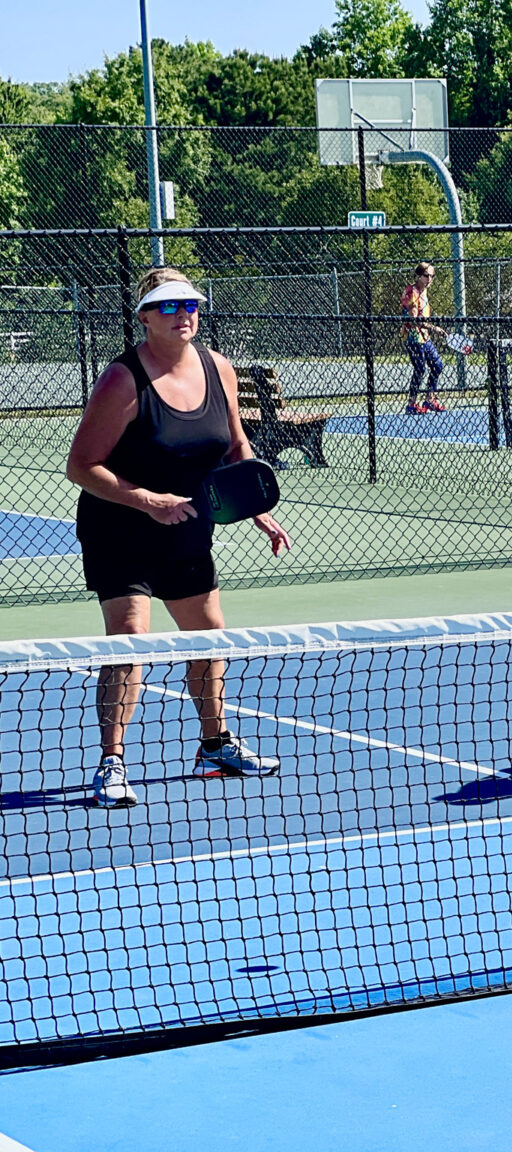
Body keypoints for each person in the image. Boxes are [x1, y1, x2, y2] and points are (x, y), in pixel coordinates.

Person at [66, 267, 292, 809]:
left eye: (189, 304)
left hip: (187, 530)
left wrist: (254, 506)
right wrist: (147, 500)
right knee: (129, 639)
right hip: (120, 532)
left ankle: (215, 746)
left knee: (209, 639)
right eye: (167, 306)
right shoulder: (122, 380)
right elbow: (81, 465)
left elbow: (236, 445)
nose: (182, 314)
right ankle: (112, 763)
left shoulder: (219, 368)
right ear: (144, 317)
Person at [401, 262, 447, 414]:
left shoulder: (424, 292)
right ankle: (412, 404)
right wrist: (434, 328)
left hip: (424, 337)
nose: (430, 279)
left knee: (437, 365)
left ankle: (429, 399)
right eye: (426, 276)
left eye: (432, 276)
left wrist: (428, 330)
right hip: (413, 337)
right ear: (418, 276)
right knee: (420, 368)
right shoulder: (412, 292)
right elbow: (414, 319)